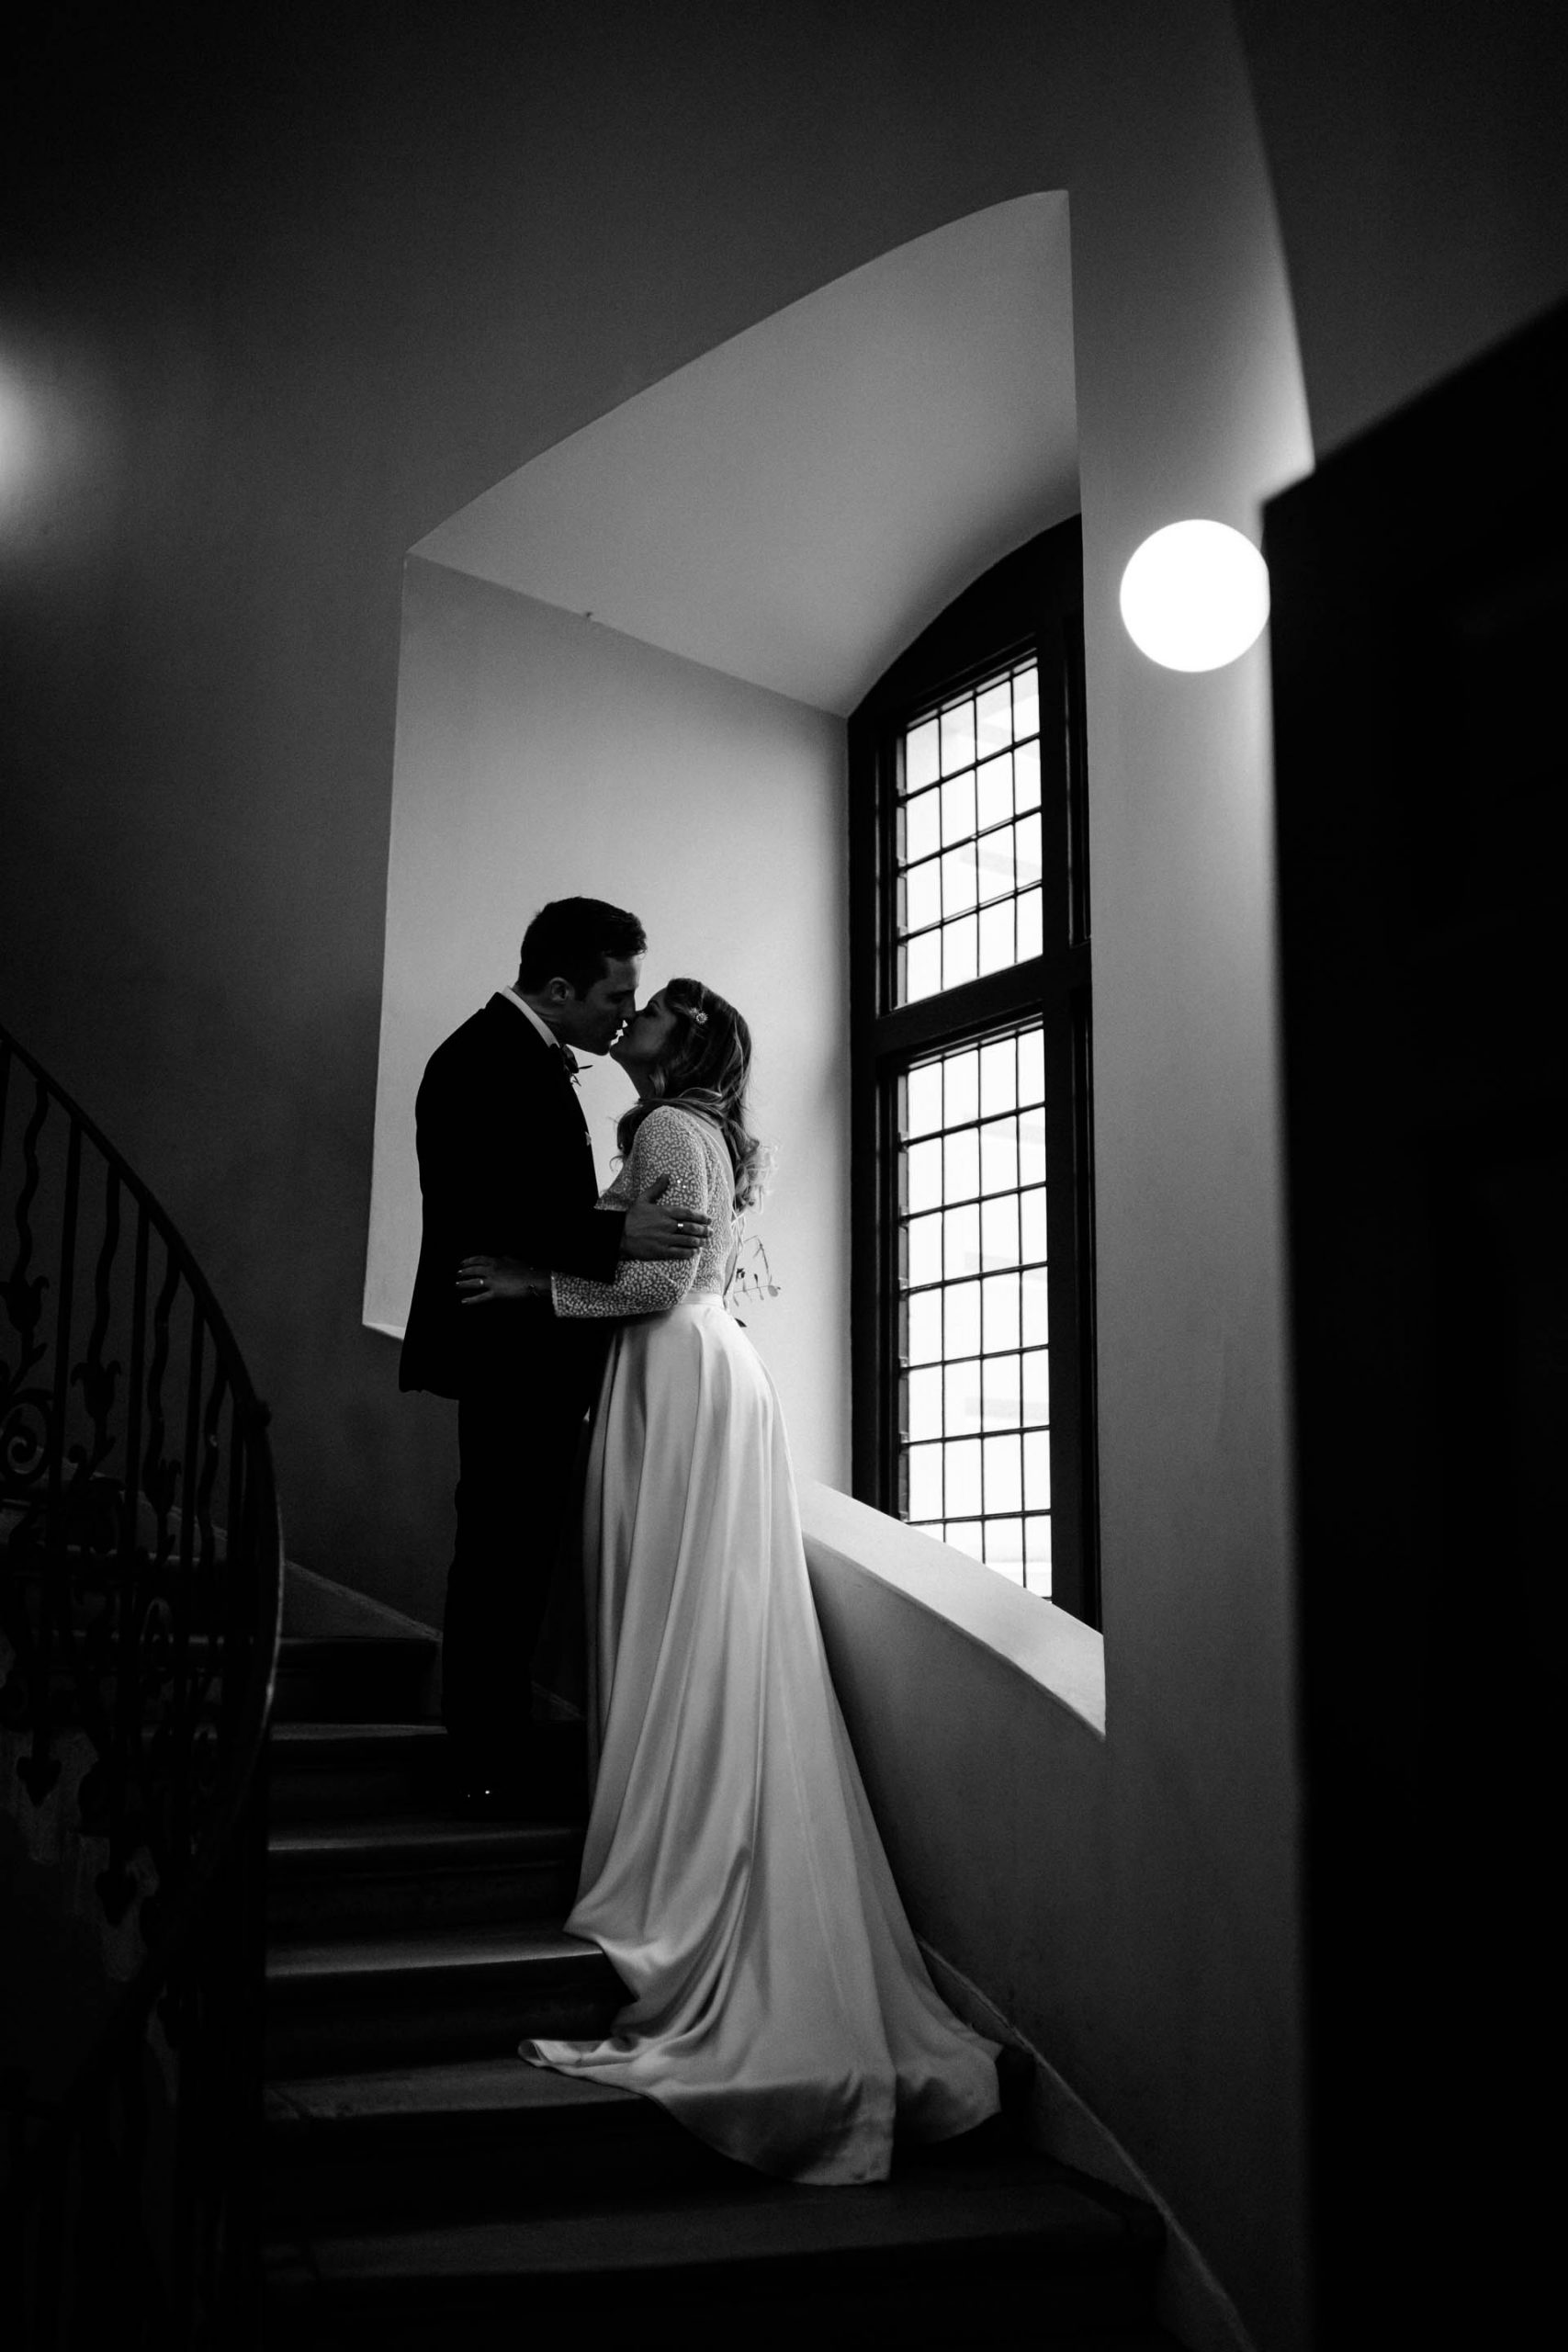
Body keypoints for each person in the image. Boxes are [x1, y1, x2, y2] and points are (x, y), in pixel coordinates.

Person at [456, 978, 1000, 2184]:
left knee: (668, 1618)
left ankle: (673, 1850)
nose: (629, 1020)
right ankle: (686, 1810)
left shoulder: (663, 1128)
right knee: (701, 1622)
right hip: (707, 1378)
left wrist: (524, 1286)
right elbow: (699, 1276)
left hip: (670, 1375)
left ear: (680, 1041)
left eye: (646, 1013)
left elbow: (654, 1289)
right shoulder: (707, 1132)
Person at [399, 899, 711, 1814]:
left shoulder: (525, 1056)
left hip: (534, 1352)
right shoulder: (478, 1058)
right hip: (507, 1355)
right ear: (562, 987)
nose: (627, 1009)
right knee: (500, 1556)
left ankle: (494, 1748)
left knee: (517, 1557)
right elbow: (484, 1201)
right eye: (618, 992)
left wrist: (602, 1232)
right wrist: (617, 1233)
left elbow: (522, 1199)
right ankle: (482, 1759)